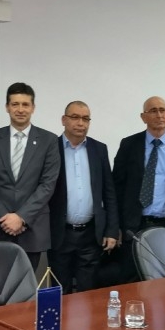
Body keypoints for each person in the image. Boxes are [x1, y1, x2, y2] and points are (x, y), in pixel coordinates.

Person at [0, 82, 60, 274]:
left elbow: (47, 184)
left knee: (25, 286)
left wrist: (22, 217)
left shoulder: (49, 140)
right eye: (15, 104)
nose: (20, 110)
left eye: (25, 104)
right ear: (7, 107)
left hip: (31, 229)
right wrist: (4, 218)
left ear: (33, 108)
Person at [48, 101, 119, 292]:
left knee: (88, 292)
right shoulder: (51, 148)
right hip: (60, 234)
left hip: (91, 235)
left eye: (86, 119)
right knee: (60, 291)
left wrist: (112, 230)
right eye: (75, 117)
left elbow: (109, 192)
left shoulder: (99, 149)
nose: (81, 123)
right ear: (64, 120)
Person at [113, 96, 165, 253]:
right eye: (153, 111)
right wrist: (114, 226)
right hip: (135, 225)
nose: (159, 115)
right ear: (143, 117)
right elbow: (117, 187)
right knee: (135, 267)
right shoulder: (129, 145)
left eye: (162, 110)